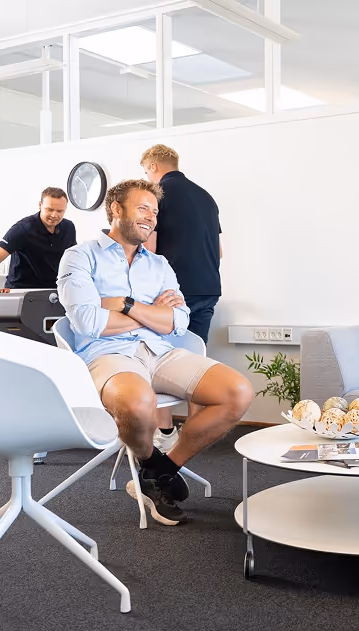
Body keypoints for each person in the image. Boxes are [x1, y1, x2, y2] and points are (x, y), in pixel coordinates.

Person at [57, 179, 253, 526]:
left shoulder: (159, 264)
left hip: (161, 351)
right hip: (107, 355)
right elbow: (87, 321)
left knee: (237, 392)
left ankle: (160, 471)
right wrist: (151, 314)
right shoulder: (80, 255)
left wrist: (125, 305)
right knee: (138, 403)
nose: (152, 218)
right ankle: (151, 462)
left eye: (155, 211)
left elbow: (179, 321)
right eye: (143, 208)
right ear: (116, 209)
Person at [140, 144, 223, 450]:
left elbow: (149, 247)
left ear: (151, 167)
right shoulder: (206, 197)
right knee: (196, 358)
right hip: (208, 286)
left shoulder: (154, 195)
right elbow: (220, 251)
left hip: (172, 292)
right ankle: (198, 434)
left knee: (162, 357)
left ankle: (164, 433)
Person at [0, 187, 75, 289]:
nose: (54, 215)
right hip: (21, 290)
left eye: (60, 211)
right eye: (50, 209)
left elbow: (73, 258)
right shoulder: (23, 229)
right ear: (40, 205)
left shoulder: (69, 228)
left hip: (52, 290)